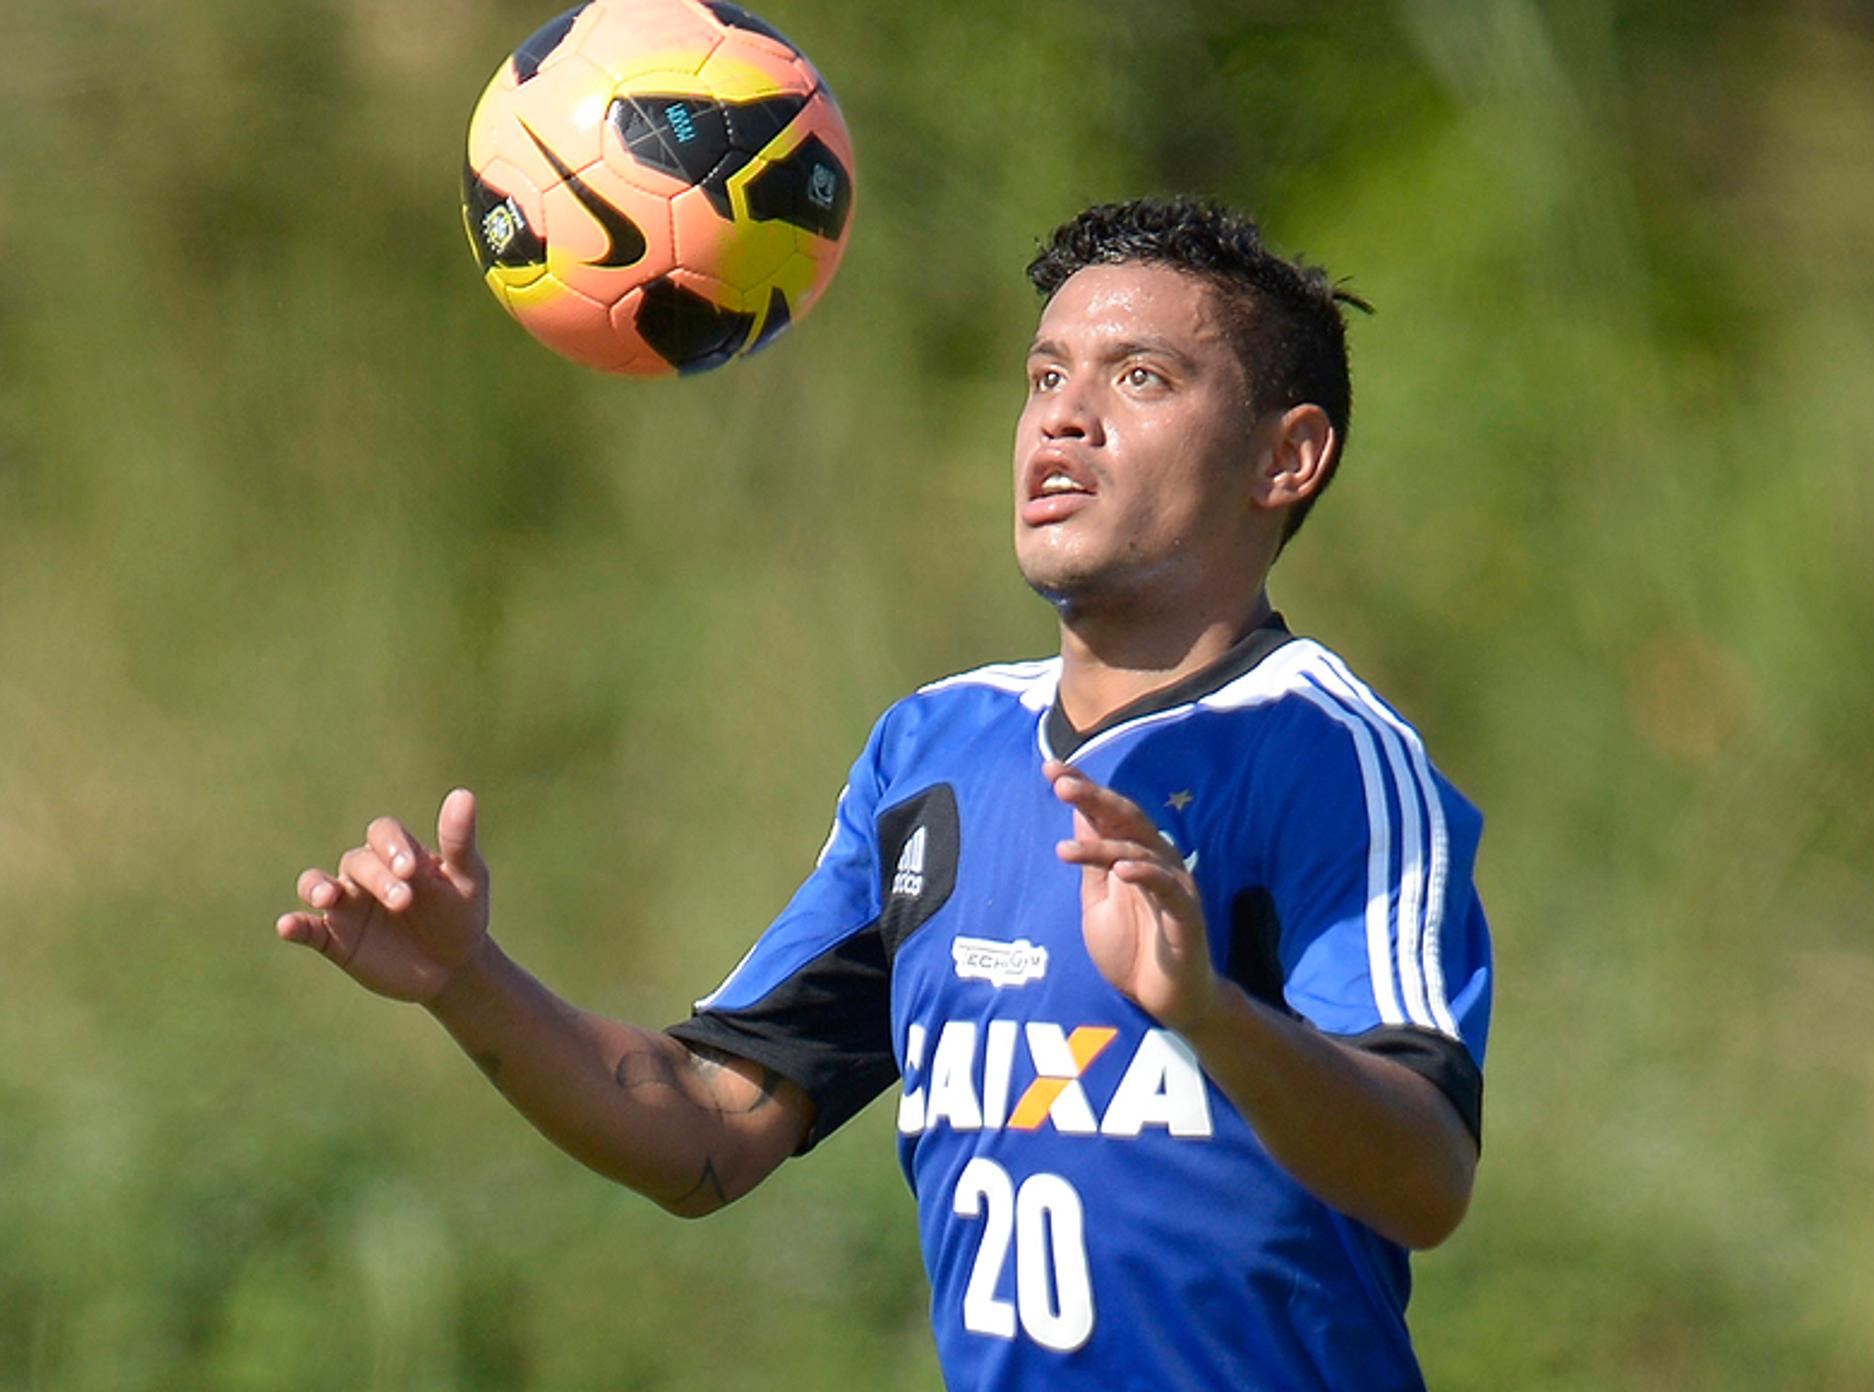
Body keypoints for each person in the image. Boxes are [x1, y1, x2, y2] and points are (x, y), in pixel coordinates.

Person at [276, 196, 1493, 1391]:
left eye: (1139, 379)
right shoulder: (937, 751)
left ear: (1287, 458)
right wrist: (462, 980)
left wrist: (1207, 1012)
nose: (1063, 420)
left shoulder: (1323, 754)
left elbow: (1426, 1176)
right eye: (1044, 377)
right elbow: (705, 1132)